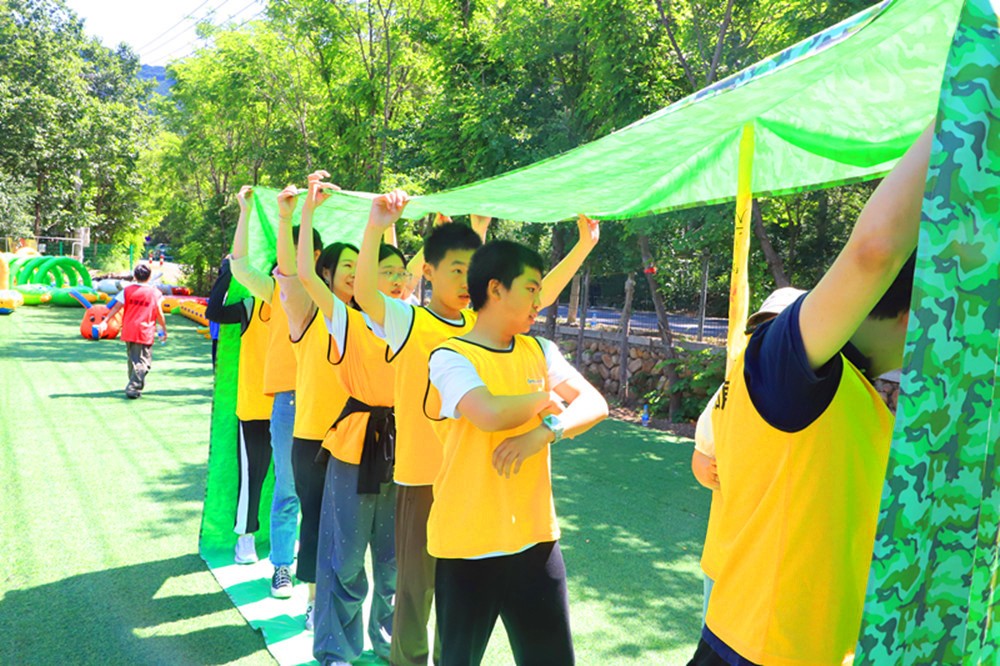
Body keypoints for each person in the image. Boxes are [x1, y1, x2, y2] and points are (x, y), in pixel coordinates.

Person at [688, 125, 933, 666]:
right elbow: (875, 250)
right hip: (756, 652)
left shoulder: (849, 391)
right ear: (914, 315)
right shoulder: (787, 368)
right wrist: (967, 100)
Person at [354, 190, 600, 666]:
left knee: (456, 628)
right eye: (456, 270)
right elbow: (366, 295)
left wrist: (582, 247)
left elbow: (531, 290)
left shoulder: (497, 329)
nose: (466, 280)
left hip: (490, 495)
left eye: (472, 271)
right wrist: (376, 227)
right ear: (427, 272)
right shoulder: (411, 321)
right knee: (415, 595)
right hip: (424, 478)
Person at [424, 239, 608, 665]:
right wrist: (544, 398)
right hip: (467, 545)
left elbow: (595, 403)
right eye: (531, 288)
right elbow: (487, 412)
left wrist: (544, 432)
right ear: (495, 289)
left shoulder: (540, 350)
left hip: (535, 540)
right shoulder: (450, 356)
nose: (539, 301)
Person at [296, 175, 401, 665]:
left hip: (402, 449)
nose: (396, 279)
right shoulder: (345, 318)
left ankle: (389, 643)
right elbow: (305, 273)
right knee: (346, 555)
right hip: (354, 445)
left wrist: (391, 224)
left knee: (394, 560)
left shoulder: (413, 323)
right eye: (384, 272)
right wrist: (307, 213)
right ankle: (336, 649)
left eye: (401, 273)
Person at [690, 287, 805, 620]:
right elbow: (702, 453)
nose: (772, 341)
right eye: (763, 330)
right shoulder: (735, 385)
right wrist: (707, 470)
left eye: (783, 331)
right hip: (726, 550)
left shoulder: (814, 394)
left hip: (777, 561)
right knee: (716, 632)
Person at [270, 180, 350, 629]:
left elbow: (403, 275)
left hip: (361, 440)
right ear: (326, 272)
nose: (356, 273)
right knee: (317, 523)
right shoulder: (307, 312)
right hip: (314, 438)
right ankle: (316, 603)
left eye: (360, 265)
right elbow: (291, 272)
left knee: (353, 529)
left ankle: (347, 605)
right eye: (347, 266)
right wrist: (292, 217)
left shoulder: (370, 317)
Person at [229, 185, 307, 602]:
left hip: (332, 403)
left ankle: (313, 575)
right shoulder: (275, 291)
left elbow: (393, 282)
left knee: (323, 494)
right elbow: (241, 267)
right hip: (290, 401)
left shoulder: (335, 298)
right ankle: (282, 567)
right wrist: (246, 212)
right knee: (288, 490)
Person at [205, 257, 274, 566]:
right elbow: (215, 312)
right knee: (253, 474)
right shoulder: (251, 306)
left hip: (298, 409)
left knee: (293, 479)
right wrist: (227, 273)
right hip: (256, 407)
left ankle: (289, 536)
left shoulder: (309, 308)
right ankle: (245, 537)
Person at [105, 263, 167, 399]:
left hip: (129, 329)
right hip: (144, 330)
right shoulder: (155, 293)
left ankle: (134, 381)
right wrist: (163, 328)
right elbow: (159, 313)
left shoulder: (127, 290)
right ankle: (133, 386)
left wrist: (105, 320)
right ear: (149, 276)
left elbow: (116, 307)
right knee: (144, 361)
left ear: (135, 276)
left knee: (133, 358)